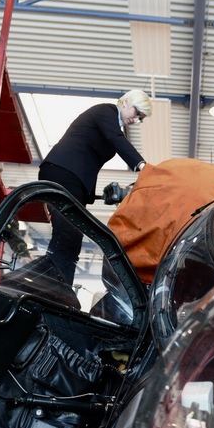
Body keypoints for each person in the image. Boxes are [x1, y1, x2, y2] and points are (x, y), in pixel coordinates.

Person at [34, 89, 154, 286]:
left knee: (71, 237)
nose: (137, 120)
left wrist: (89, 195)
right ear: (126, 103)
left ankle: (59, 285)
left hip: (72, 179)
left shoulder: (112, 125)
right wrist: (142, 166)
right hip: (63, 172)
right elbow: (115, 139)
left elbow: (91, 162)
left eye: (141, 118)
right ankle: (53, 285)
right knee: (68, 233)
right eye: (137, 113)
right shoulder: (106, 112)